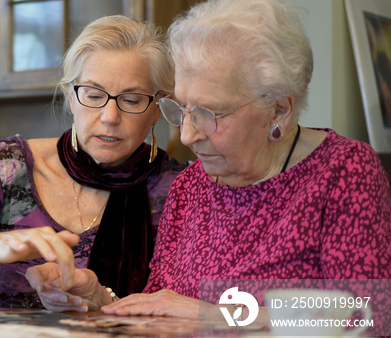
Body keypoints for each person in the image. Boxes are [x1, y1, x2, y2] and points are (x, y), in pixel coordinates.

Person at [26, 0, 391, 317]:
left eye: (210, 113)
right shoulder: (189, 187)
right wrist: (99, 299)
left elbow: (367, 316)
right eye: (182, 108)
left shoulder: (343, 171)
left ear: (278, 109)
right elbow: (164, 312)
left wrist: (222, 317)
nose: (187, 134)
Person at [0, 15, 185, 308]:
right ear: (70, 97)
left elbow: (218, 309)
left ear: (156, 108)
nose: (110, 117)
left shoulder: (180, 187)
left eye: (132, 100)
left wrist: (103, 301)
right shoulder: (8, 164)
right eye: (93, 95)